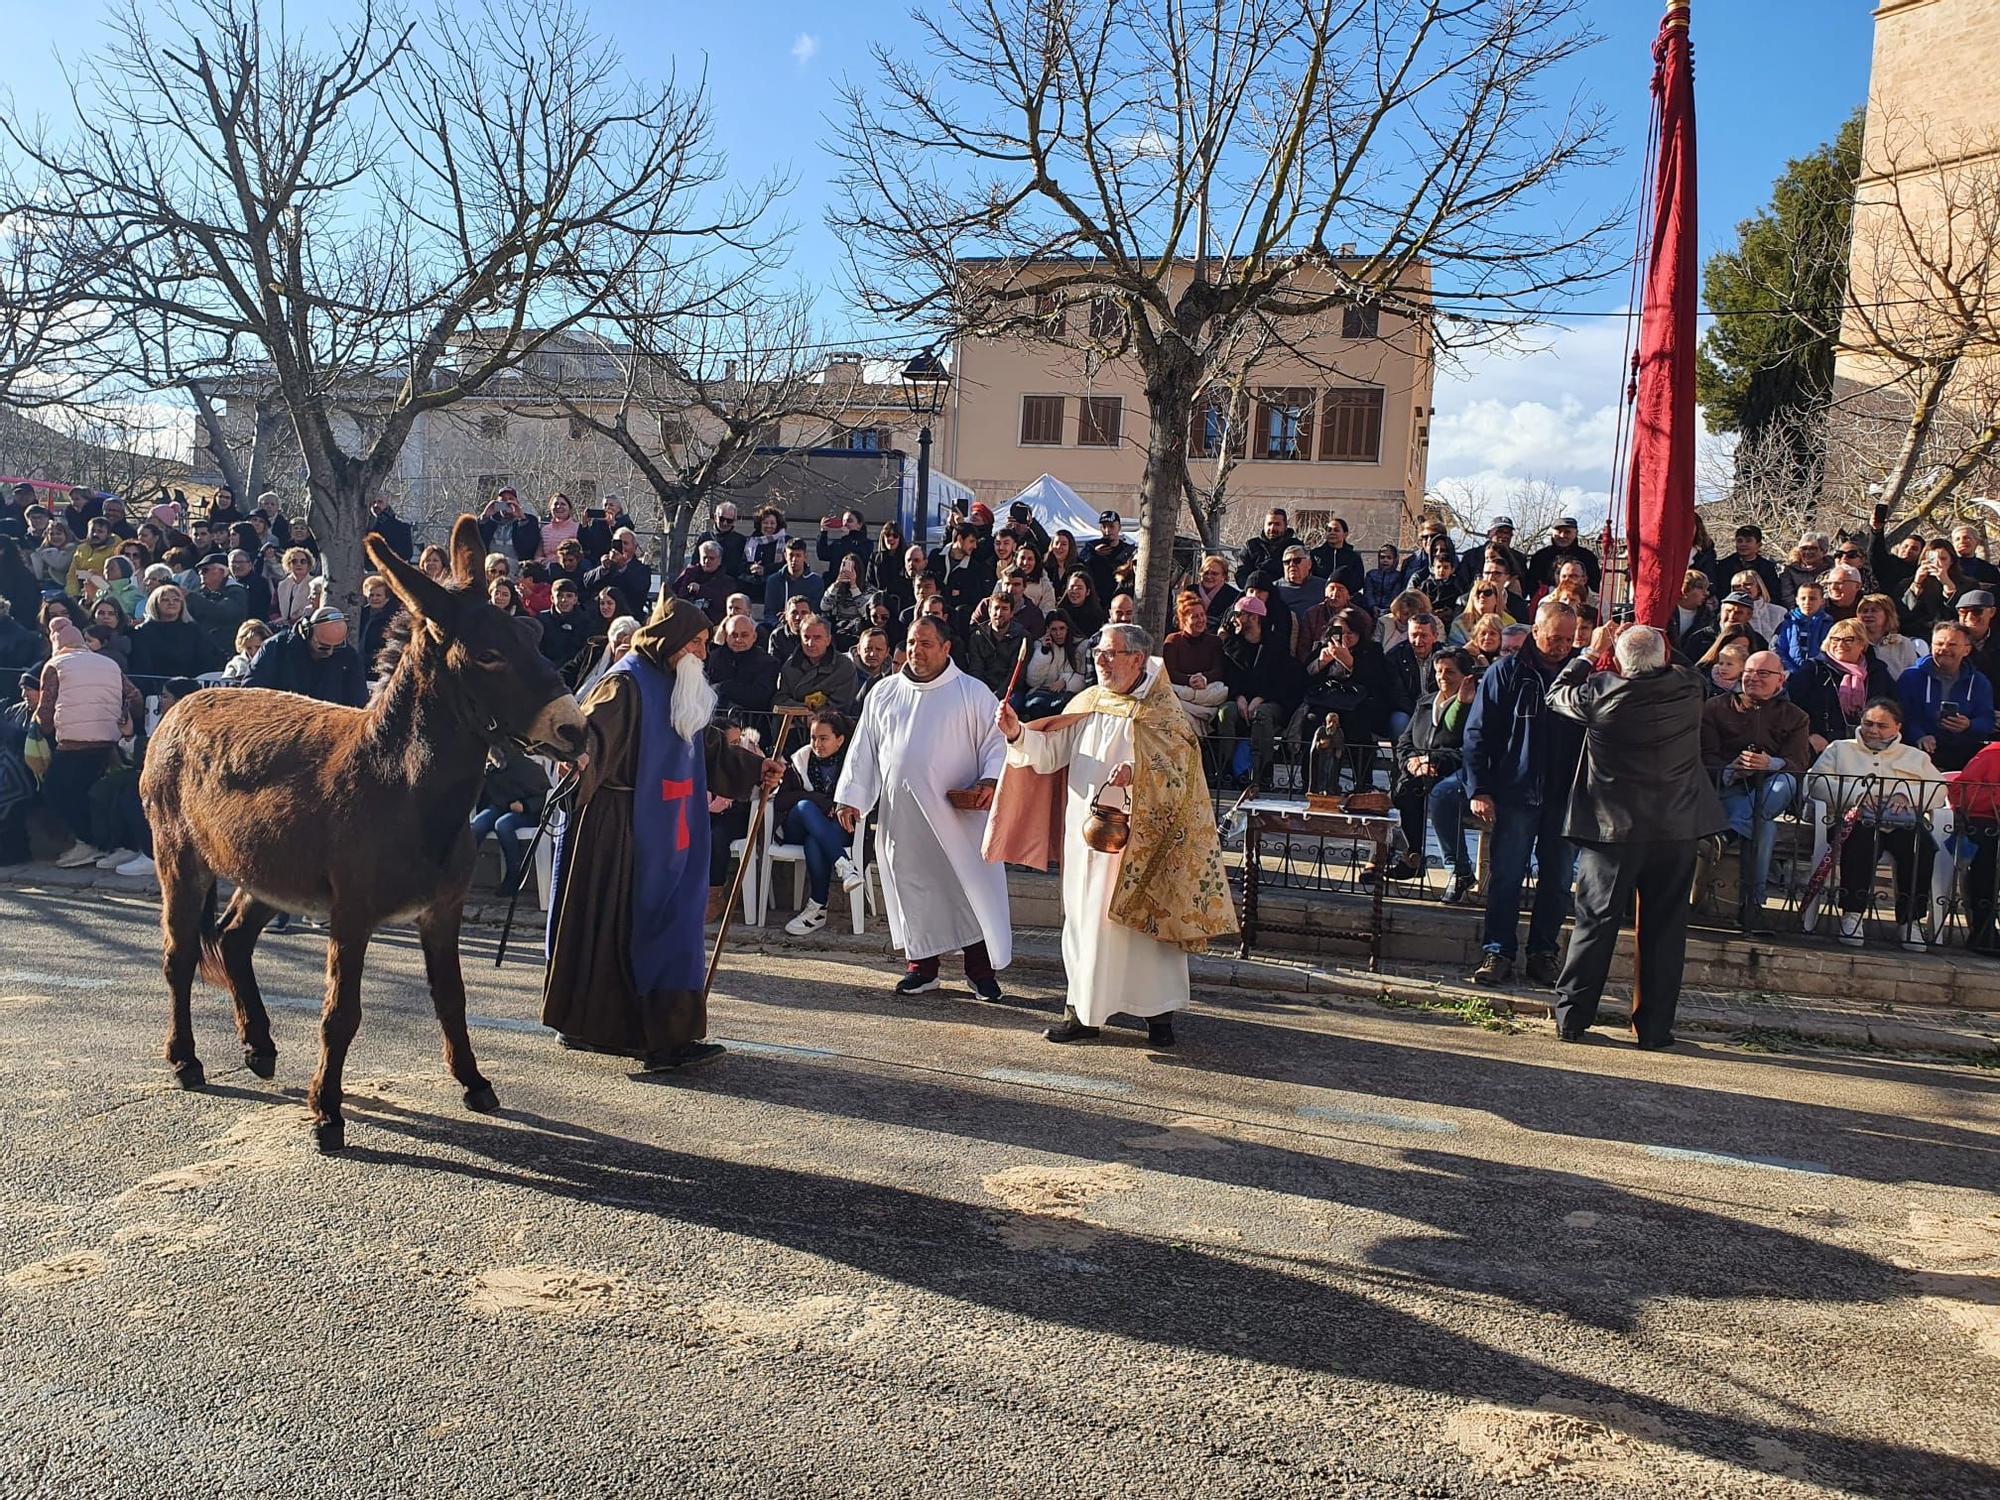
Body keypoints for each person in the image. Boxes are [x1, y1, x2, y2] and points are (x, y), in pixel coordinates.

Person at [543, 597, 783, 1071]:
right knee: (623, 928)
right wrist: (578, 758)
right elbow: (587, 743)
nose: (701, 651)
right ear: (670, 638)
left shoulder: (678, 683)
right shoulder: (625, 684)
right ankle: (650, 1037)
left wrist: (756, 769)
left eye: (703, 643)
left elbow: (702, 744)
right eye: (693, 641)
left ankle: (651, 1032)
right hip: (621, 830)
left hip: (673, 825)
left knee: (669, 923)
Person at [991, 622, 1233, 1045]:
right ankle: (1083, 1012)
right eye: (1098, 653)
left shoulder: (1162, 711)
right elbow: (1050, 754)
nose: (1100, 660)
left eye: (1110, 653)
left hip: (1144, 842)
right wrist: (1016, 732)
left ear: (1137, 659)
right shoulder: (1088, 701)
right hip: (1088, 837)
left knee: (1141, 932)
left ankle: (1158, 1016)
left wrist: (1140, 773)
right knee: (1086, 922)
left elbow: (1183, 773)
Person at [1546, 624, 1727, 1048]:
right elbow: (1681, 665)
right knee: (1665, 931)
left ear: (1619, 661)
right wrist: (1655, 632)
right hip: (1676, 829)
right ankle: (1654, 1028)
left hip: (1613, 831)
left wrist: (1590, 653)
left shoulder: (1599, 691)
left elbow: (1556, 694)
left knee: (1595, 923)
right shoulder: (1688, 688)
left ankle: (1572, 1018)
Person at [833, 617, 1012, 998]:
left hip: (957, 819)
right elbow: (864, 747)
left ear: (947, 649)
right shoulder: (884, 693)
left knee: (969, 889)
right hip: (904, 819)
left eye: (927, 643)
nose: (917, 651)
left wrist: (989, 779)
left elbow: (998, 744)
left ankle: (980, 972)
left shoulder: (973, 693)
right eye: (912, 643)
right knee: (913, 888)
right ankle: (922, 968)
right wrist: (851, 796)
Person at [1452, 598, 1583, 987]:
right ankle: (1498, 952)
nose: (1561, 645)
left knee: (1558, 879)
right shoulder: (1505, 672)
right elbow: (1477, 734)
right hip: (1515, 792)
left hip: (1564, 796)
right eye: (1555, 637)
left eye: (1568, 638)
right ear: (1536, 632)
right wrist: (1481, 788)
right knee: (1507, 876)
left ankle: (1543, 952)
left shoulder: (1580, 675)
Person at [1805, 698, 1950, 951]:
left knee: (1921, 847)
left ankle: (1910, 920)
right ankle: (1852, 914)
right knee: (1862, 841)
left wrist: (1907, 798)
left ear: (1897, 728)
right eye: (1868, 723)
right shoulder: (1840, 749)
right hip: (1854, 820)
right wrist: (1859, 794)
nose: (1873, 730)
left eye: (1882, 726)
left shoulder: (1915, 756)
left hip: (1901, 822)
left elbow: (1939, 791)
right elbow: (1816, 784)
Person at [1701, 650, 1813, 933]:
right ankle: (1751, 909)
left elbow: (1798, 763)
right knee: (1764, 827)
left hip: (1771, 790)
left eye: (1763, 673)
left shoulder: (1796, 716)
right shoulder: (1715, 707)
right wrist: (1732, 769)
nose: (1754, 678)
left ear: (1781, 680)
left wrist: (1769, 764)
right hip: (1728, 792)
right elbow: (1704, 757)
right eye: (1749, 672)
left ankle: (1727, 834)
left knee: (1784, 781)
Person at [36, 616, 144, 869]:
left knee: (56, 791)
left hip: (73, 741)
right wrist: (123, 719)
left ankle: (89, 843)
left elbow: (45, 710)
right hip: (108, 740)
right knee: (93, 794)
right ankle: (107, 844)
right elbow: (135, 696)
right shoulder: (108, 663)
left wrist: (43, 730)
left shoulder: (56, 664)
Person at [1388, 648, 1475, 887]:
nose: (1442, 677)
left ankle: (1458, 870)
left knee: (1434, 795)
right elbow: (1405, 740)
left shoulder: (1474, 706)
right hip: (1416, 773)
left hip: (1449, 774)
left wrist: (1433, 762)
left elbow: (1467, 747)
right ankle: (1409, 857)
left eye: (1450, 672)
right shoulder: (1425, 702)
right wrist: (1411, 761)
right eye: (1439, 671)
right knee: (1399, 794)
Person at [776, 710, 866, 937]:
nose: (817, 744)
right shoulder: (801, 759)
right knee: (806, 807)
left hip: (837, 829)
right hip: (797, 824)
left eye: (823, 738)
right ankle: (844, 865)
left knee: (814, 841)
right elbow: (782, 800)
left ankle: (817, 908)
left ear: (840, 740)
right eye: (813, 737)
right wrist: (819, 801)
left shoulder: (852, 765)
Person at [1216, 596, 1301, 789]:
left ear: (1254, 618)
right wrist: (1239, 697)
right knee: (1226, 713)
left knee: (1262, 715)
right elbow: (1230, 675)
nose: (1234, 619)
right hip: (1241, 699)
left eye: (1238, 615)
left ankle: (1261, 774)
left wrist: (1260, 698)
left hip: (1272, 701)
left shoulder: (1276, 644)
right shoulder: (1232, 644)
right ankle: (1226, 771)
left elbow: (1282, 681)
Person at [1898, 621, 1994, 771]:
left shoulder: (1979, 682)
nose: (1944, 649)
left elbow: (1987, 720)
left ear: (1967, 650)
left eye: (1952, 645)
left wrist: (1969, 725)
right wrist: (1919, 736)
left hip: (1963, 755)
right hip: (1919, 753)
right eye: (1939, 644)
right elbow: (1903, 715)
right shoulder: (1911, 677)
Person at [244, 606, 368, 707]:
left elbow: (359, 701)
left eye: (336, 647)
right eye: (323, 647)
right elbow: (251, 694)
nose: (329, 652)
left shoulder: (348, 656)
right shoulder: (276, 648)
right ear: (307, 633)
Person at [470, 744, 549, 896]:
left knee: (504, 824)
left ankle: (514, 875)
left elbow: (545, 795)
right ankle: (461, 872)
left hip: (527, 811)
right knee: (478, 824)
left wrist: (525, 805)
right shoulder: (490, 770)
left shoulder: (527, 768)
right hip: (500, 805)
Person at [1162, 593, 1228, 730]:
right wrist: (1189, 680)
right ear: (1184, 619)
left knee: (1222, 691)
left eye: (1202, 615)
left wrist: (1204, 678)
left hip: (1207, 690)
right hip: (1183, 692)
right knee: (1174, 698)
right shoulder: (1173, 641)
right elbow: (1170, 672)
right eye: (1195, 616)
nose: (1200, 620)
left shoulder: (1214, 641)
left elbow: (1219, 670)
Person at [776, 615, 860, 715]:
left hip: (831, 727)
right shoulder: (790, 666)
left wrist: (815, 716)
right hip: (795, 724)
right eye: (806, 637)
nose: (810, 643)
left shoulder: (844, 667)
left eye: (817, 638)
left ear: (828, 640)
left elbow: (842, 705)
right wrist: (803, 712)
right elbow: (780, 699)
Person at [705, 612, 781, 715]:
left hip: (753, 722)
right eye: (734, 635)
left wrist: (724, 687)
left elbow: (760, 698)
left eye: (744, 635)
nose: (738, 640)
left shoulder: (768, 663)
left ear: (754, 637)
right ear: (727, 637)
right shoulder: (713, 658)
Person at [963, 592, 1028, 699]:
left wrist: (998, 696)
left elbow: (1016, 674)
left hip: (1010, 692)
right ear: (989, 611)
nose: (999, 613)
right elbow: (976, 669)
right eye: (996, 608)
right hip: (982, 691)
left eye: (1005, 609)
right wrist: (983, 694)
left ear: (1012, 613)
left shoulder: (1022, 637)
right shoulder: (977, 636)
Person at [1023, 615, 1088, 719]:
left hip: (1068, 693)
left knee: (1061, 706)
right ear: (1048, 630)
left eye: (1062, 628)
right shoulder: (1040, 645)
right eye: (1054, 629)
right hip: (1043, 692)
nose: (1058, 633)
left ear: (1068, 628)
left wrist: (1065, 680)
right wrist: (1044, 653)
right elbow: (1032, 681)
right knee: (1035, 706)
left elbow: (1084, 676)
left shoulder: (1081, 645)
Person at [1528, 516, 1601, 592]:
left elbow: (1594, 586)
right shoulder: (1540, 557)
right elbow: (1532, 585)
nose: (1562, 535)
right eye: (1559, 531)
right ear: (1552, 533)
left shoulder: (1588, 557)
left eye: (1567, 532)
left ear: (1576, 533)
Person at [671, 540, 736, 624]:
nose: (707, 561)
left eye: (711, 558)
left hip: (712, 621)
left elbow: (723, 601)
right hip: (686, 618)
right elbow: (674, 592)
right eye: (704, 557)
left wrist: (701, 590)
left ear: (719, 560)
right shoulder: (690, 572)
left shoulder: (727, 581)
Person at [534, 579, 592, 670]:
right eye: (559, 596)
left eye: (569, 596)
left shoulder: (585, 620)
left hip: (575, 670)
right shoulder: (541, 619)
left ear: (575, 599)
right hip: (547, 670)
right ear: (552, 598)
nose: (564, 600)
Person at [1082, 511, 1136, 604]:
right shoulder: (1091, 547)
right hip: (1097, 600)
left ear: (1119, 527)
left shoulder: (1128, 550)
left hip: (1121, 599)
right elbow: (1080, 564)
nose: (1107, 531)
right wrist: (1093, 553)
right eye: (1104, 527)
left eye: (1111, 526)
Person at [763, 538, 824, 620]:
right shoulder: (774, 580)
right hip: (779, 626)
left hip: (806, 626)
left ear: (805, 557)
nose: (794, 560)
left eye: (798, 555)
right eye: (791, 555)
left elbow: (816, 612)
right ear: (785, 556)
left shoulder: (816, 581)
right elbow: (769, 613)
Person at [1236, 509, 1300, 587]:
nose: (1272, 528)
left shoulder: (1296, 546)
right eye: (1269, 524)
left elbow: (1303, 573)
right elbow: (1241, 575)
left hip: (1287, 592)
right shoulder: (1251, 546)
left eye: (1277, 524)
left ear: (1285, 526)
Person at [696, 502, 752, 582]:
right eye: (722, 519)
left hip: (730, 584)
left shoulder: (741, 541)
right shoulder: (704, 537)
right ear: (715, 517)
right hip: (704, 582)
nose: (725, 523)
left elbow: (743, 567)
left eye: (729, 520)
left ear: (734, 521)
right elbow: (695, 563)